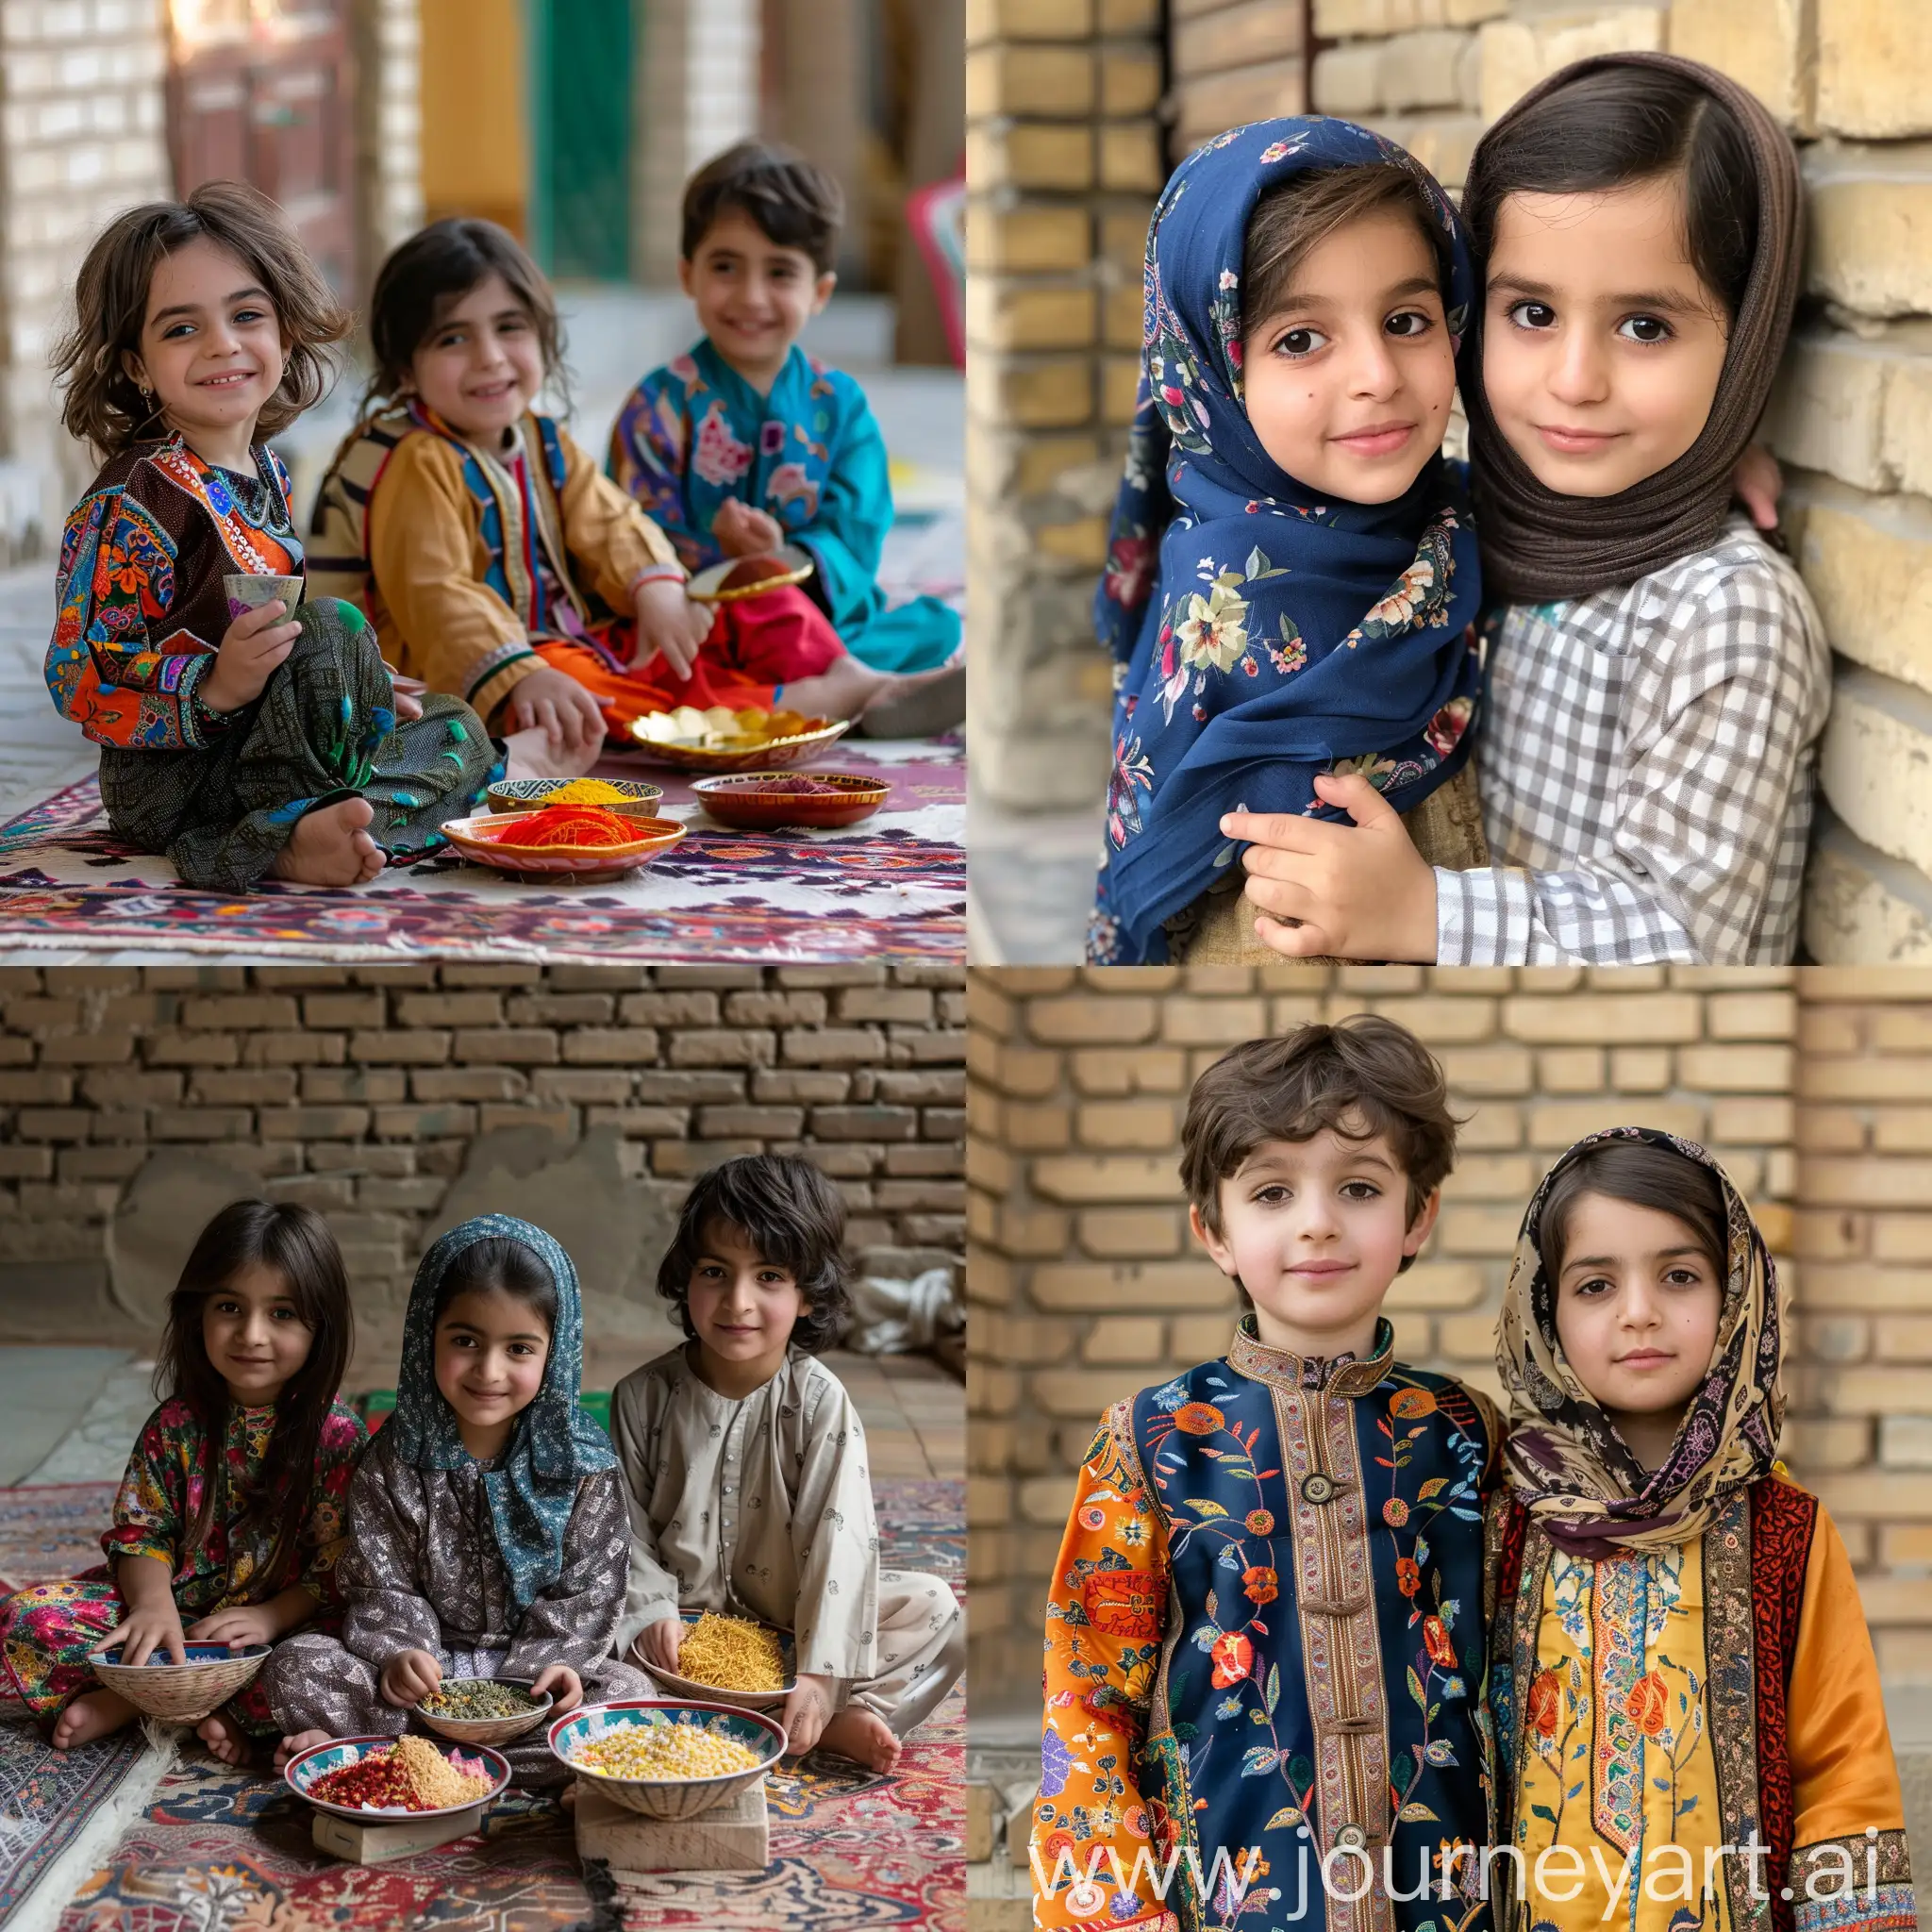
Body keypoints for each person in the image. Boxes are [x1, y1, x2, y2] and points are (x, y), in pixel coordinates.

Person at [1224, 55, 1829, 966]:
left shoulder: (1724, 614)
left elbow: (1684, 934)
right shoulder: (1462, 519)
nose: (1576, 383)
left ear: (1745, 347)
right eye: (1533, 313)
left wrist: (1427, 914)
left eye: (1646, 327)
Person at [1033, 1018, 1503, 1930]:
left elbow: (1515, 1681)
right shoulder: (1150, 1438)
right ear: (1214, 1231)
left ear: (1418, 1219)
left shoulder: (1465, 1433)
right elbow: (1086, 1701)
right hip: (1230, 1904)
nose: (1317, 1220)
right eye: (1273, 1192)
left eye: (1359, 1188)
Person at [1483, 1130, 1914, 1932]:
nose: (1639, 1313)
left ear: (1736, 1295)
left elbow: (1841, 1773)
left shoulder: (1787, 1530)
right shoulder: (1495, 1522)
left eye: (1679, 1276)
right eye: (1595, 1285)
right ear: (1544, 1308)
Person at [1082, 118, 1488, 966]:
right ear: (1210, 374)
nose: (1376, 373)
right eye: (1300, 340)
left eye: (1408, 320)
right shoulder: (1228, 605)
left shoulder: (1450, 515)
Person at [43, 182, 514, 894]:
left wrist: (360, 686)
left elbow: (286, 640)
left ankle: (310, 829)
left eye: (247, 315)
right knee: (334, 623)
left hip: (269, 756)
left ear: (285, 332)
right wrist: (213, 686)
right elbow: (78, 675)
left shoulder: (266, 469)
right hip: (172, 780)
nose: (222, 345)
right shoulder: (136, 500)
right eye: (180, 329)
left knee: (458, 732)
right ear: (137, 365)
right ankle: (257, 842)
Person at [308, 217, 930, 752]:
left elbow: (611, 521)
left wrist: (656, 587)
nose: (491, 358)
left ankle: (845, 671)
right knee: (575, 692)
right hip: (468, 668)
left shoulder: (539, 437)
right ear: (404, 369)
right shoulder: (415, 458)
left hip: (581, 634)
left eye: (510, 328)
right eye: (454, 338)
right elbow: (436, 595)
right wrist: (518, 673)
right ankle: (804, 702)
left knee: (748, 593)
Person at [263, 1217, 651, 1784]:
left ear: (556, 1351)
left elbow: (588, 1591)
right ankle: (497, 1764)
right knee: (295, 1666)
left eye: (519, 1348)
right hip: (427, 1680)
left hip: (532, 1680)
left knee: (630, 1696)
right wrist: (400, 1658)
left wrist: (555, 1670)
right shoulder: (395, 1456)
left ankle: (404, 1759)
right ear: (428, 1336)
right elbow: (380, 1581)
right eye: (465, 1341)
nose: (488, 1371)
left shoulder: (582, 1463)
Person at [611, 1154, 962, 1774]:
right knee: (572, 1633)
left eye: (768, 1276)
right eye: (715, 1271)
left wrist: (823, 1674)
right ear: (684, 1279)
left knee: (938, 1611)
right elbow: (622, 1528)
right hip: (676, 1636)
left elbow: (842, 1539)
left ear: (808, 1296)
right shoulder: (642, 1396)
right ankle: (778, 1720)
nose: (736, 1301)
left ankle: (824, 1713)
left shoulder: (819, 1402)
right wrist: (650, 1612)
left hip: (790, 1626)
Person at [608, 140, 965, 721]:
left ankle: (814, 687)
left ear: (819, 292)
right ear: (687, 275)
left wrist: (783, 556)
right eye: (725, 267)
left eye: (780, 273)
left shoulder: (839, 405)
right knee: (648, 658)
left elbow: (857, 532)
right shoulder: (657, 407)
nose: (751, 297)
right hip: (701, 623)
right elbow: (622, 533)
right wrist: (720, 562)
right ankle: (849, 690)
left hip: (816, 611)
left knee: (934, 625)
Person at [0, 1202, 364, 1765]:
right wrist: (153, 1609)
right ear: (197, 1314)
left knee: (335, 1663)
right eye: (229, 1307)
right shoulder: (176, 1425)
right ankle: (170, 1701)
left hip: (272, 1635)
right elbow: (142, 1533)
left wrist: (270, 1617)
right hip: (173, 1622)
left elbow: (338, 1567)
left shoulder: (337, 1437)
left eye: (283, 1313)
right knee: (32, 1620)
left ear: (323, 1325)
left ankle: (147, 1701)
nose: (251, 1334)